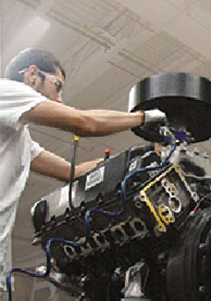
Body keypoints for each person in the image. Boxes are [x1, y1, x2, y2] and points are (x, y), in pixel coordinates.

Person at [0, 48, 166, 294]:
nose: (59, 99)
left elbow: (73, 171)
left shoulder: (18, 139)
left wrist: (140, 157)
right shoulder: (6, 91)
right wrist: (144, 117)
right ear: (32, 75)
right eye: (57, 86)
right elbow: (85, 122)